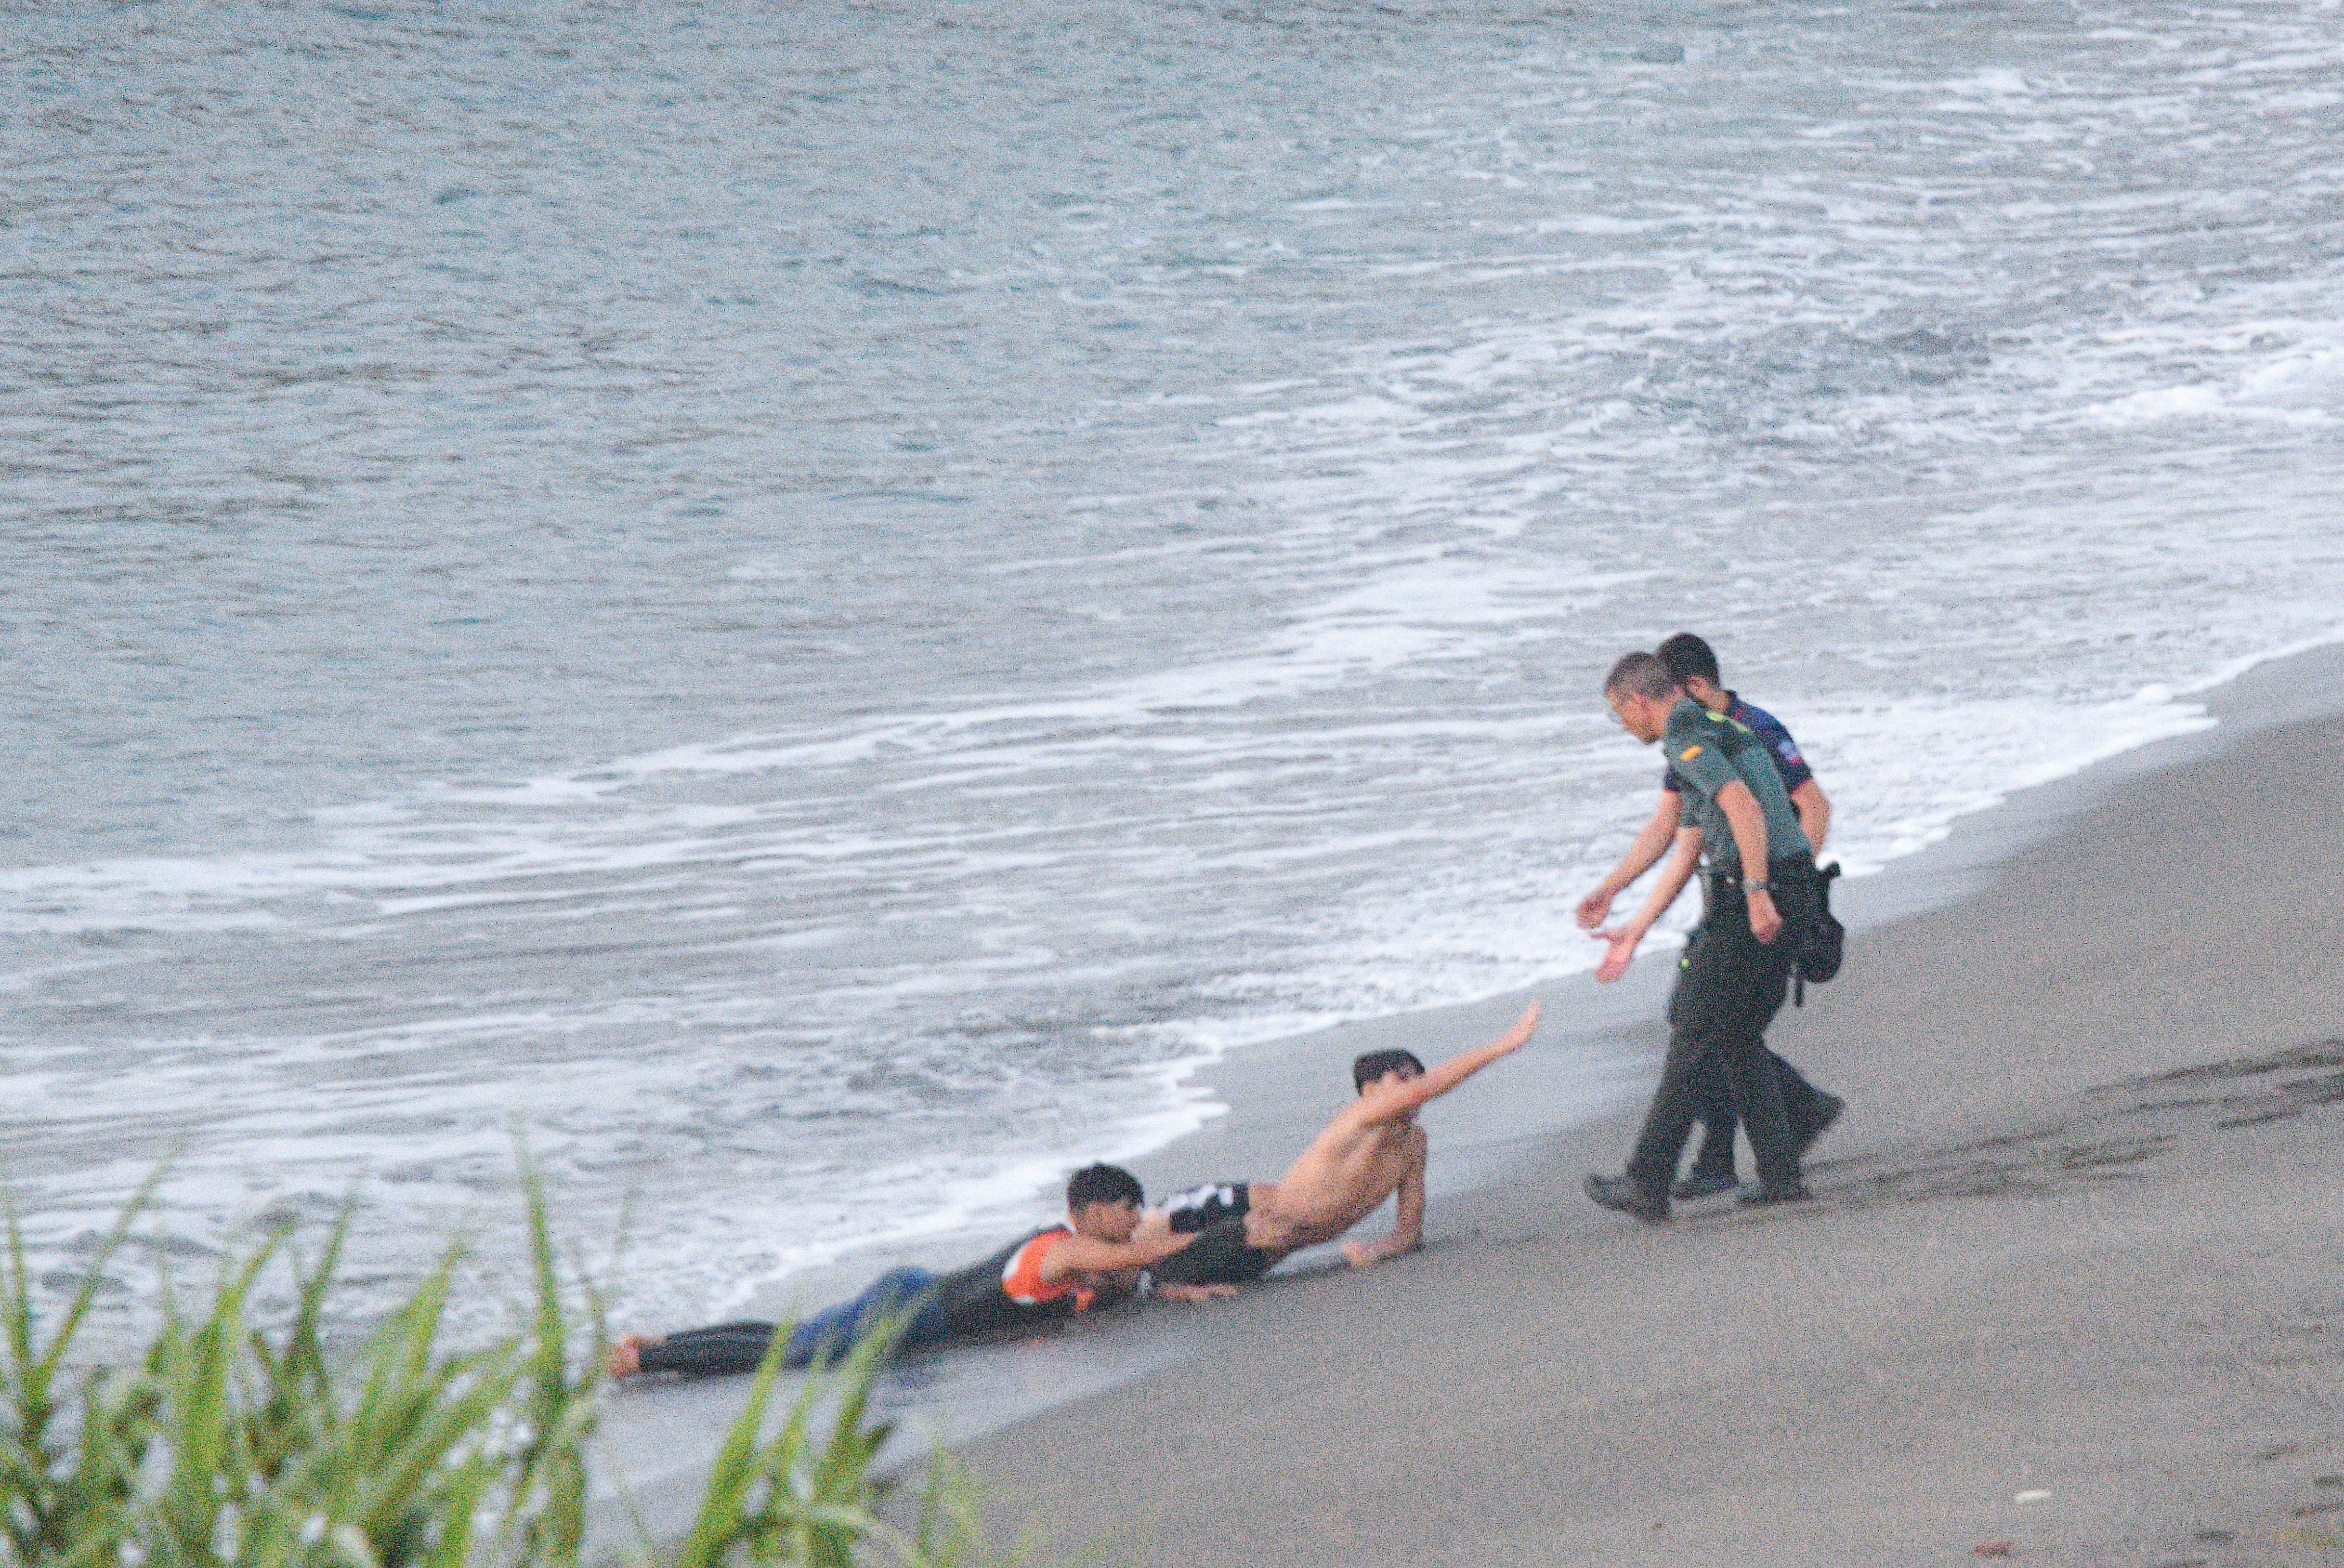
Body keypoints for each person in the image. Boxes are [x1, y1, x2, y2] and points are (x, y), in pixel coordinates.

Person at [1575, 632, 1843, 1200]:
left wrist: (1755, 891)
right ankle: (1781, 1177)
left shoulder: (1688, 735)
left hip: (1755, 894)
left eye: (1619, 714)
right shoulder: (1718, 729)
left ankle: (1648, 1180)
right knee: (1736, 1037)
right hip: (1786, 885)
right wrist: (1619, 898)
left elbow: (1743, 805)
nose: (1623, 726)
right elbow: (1682, 835)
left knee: (1694, 1030)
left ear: (1638, 701)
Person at [607, 1163, 1195, 1378]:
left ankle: (657, 1343)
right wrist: (1212, 1233)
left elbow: (1118, 1279)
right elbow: (1132, 1256)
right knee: (789, 1357)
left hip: (913, 1297)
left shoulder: (1064, 1251)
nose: (1135, 1218)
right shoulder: (1065, 1247)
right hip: (913, 1311)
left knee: (793, 1338)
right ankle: (644, 1358)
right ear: (1090, 1211)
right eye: (1127, 1208)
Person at [1139, 1003, 1540, 1297]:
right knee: (1133, 1249)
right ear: (1368, 1090)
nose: (1415, 1084)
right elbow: (1428, 1088)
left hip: (1269, 1248)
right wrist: (1504, 1044)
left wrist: (1377, 1250)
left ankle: (1167, 1285)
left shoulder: (1413, 1143)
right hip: (1227, 1209)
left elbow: (1408, 1232)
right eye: (1401, 1077)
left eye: (1417, 1075)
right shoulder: (1360, 1117)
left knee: (1168, 1282)